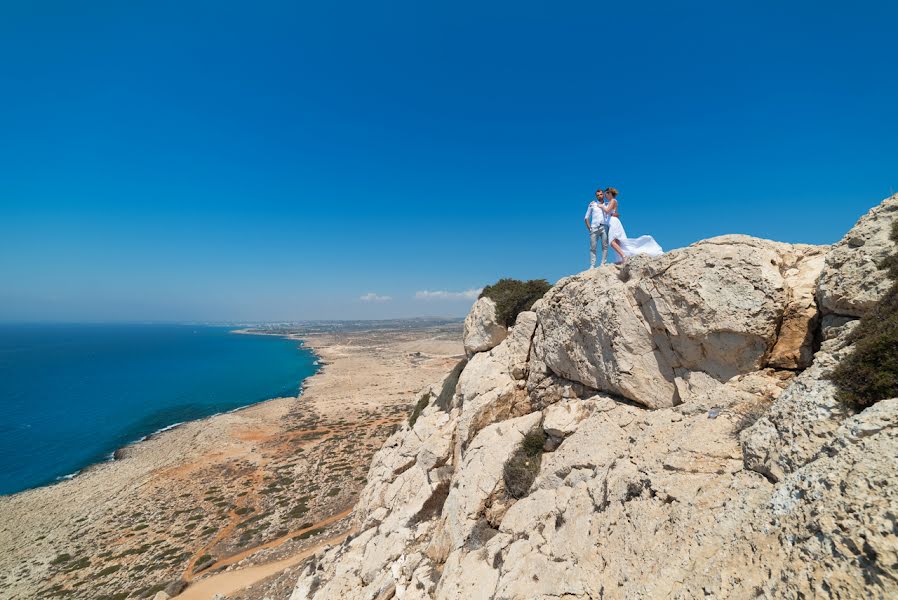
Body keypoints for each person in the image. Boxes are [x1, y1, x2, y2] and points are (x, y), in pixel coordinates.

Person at [603, 187, 664, 264]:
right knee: (618, 242)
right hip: (612, 222)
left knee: (612, 242)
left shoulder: (613, 200)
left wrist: (602, 207)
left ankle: (624, 256)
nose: (605, 197)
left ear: (609, 193)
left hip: (613, 222)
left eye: (606, 195)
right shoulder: (610, 202)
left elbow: (607, 210)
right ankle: (622, 258)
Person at [584, 188, 611, 268]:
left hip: (604, 227)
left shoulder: (607, 204)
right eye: (598, 195)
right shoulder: (592, 204)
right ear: (596, 196)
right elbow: (586, 218)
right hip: (594, 227)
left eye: (601, 194)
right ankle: (592, 265)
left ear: (603, 195)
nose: (600, 196)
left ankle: (603, 263)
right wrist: (590, 228)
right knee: (593, 247)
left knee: (605, 246)